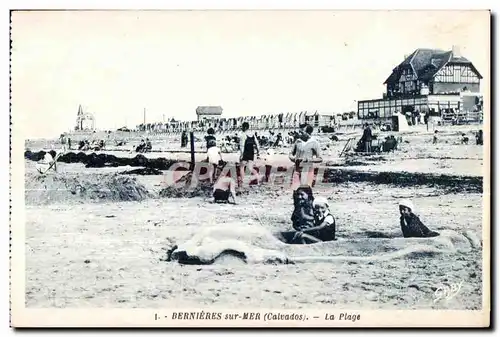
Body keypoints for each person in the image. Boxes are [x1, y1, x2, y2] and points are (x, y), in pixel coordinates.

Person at [239, 122, 260, 187]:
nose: (241, 128)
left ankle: (243, 181)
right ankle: (257, 178)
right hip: (251, 152)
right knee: (250, 168)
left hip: (245, 152)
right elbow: (257, 144)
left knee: (242, 167)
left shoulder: (243, 135)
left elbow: (242, 146)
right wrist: (258, 151)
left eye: (242, 127)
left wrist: (241, 155)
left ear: (244, 127)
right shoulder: (252, 134)